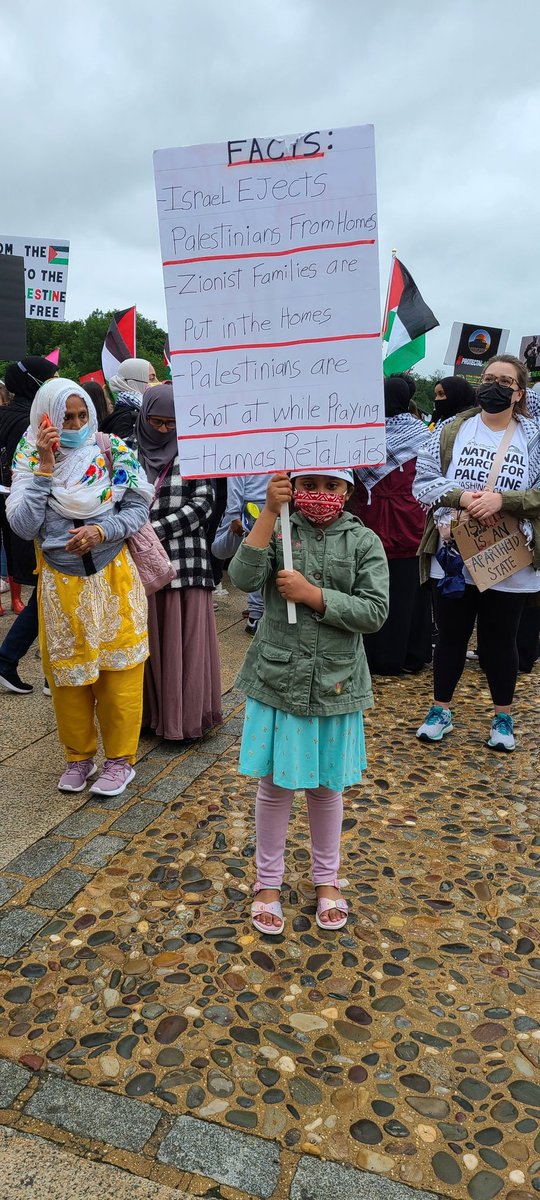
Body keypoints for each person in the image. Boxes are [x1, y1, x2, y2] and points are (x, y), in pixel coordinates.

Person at [228, 469, 389, 934]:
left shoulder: (363, 541)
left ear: (348, 491)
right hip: (279, 680)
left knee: (326, 787)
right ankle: (267, 883)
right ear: (295, 487)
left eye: (331, 487)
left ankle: (327, 880)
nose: (320, 495)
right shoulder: (279, 528)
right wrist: (269, 512)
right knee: (275, 786)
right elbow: (242, 576)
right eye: (310, 485)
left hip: (336, 682)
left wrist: (315, 596)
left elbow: (375, 611)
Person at [7, 378, 153, 795]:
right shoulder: (29, 458)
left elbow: (137, 510)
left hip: (113, 578)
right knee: (69, 677)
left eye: (81, 415)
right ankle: (79, 757)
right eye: (65, 417)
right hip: (60, 584)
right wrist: (45, 467)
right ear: (44, 419)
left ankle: (120, 760)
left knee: (120, 672)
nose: (74, 423)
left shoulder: (112, 451)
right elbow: (23, 526)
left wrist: (103, 530)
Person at [414, 354, 540, 752]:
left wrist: (504, 500)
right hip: (454, 554)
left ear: (519, 392)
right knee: (450, 637)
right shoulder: (452, 429)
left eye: (505, 381)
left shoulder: (533, 437)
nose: (495, 386)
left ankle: (503, 718)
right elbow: (424, 481)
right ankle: (440, 710)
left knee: (500, 641)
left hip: (509, 556)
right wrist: (465, 497)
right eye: (488, 378)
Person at [136, 383, 222, 740]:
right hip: (142, 567)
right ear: (144, 417)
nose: (165, 430)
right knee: (150, 645)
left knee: (184, 646)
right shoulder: (127, 453)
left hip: (186, 566)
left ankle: (184, 721)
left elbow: (203, 504)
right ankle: (151, 716)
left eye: (172, 423)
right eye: (157, 422)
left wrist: (150, 529)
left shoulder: (195, 452)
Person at [350, 377, 432, 674]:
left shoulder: (363, 434)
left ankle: (376, 656)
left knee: (371, 585)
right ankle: (411, 653)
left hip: (372, 518)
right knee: (408, 591)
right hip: (409, 519)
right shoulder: (423, 433)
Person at [0, 356, 58, 691]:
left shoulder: (10, 413)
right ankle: (34, 667)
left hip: (12, 508)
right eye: (50, 377)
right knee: (52, 589)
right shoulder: (33, 421)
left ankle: (15, 661)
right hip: (32, 514)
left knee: (49, 592)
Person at [211, 473, 272, 633]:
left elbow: (235, 480)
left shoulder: (243, 449)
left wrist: (233, 515)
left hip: (250, 507)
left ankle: (256, 614)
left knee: (255, 558)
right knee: (264, 558)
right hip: (274, 505)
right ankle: (258, 613)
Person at [100, 358, 157, 447]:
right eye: (151, 379)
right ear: (133, 382)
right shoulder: (127, 419)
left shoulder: (136, 411)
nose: (157, 383)